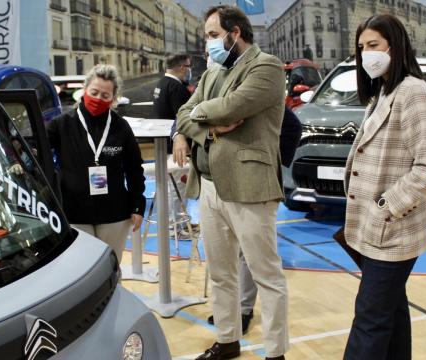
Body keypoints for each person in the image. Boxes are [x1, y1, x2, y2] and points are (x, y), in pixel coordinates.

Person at [176, 5, 288, 360]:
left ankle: (276, 352)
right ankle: (227, 341)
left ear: (234, 33)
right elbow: (183, 113)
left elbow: (232, 107)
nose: (207, 42)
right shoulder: (212, 73)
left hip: (250, 186)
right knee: (221, 272)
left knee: (266, 276)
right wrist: (205, 124)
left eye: (212, 35)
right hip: (209, 186)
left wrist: (203, 115)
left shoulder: (266, 67)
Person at [343, 14, 426, 359]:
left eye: (373, 45)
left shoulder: (413, 91)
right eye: (361, 48)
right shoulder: (384, 90)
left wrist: (385, 207)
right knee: (391, 312)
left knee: (370, 319)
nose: (366, 54)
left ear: (395, 44)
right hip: (376, 231)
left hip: (393, 230)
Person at [206, 105, 302, 334]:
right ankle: (231, 313)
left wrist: (271, 164)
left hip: (253, 184)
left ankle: (244, 309)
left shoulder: (256, 92)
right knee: (225, 258)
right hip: (221, 180)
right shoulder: (215, 89)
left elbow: (292, 126)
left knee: (249, 256)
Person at [46, 64, 145, 263]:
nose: (98, 99)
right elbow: (36, 149)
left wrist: (137, 205)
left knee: (111, 266)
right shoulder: (61, 124)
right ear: (84, 89)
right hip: (73, 211)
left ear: (114, 98)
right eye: (94, 92)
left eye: (105, 95)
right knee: (80, 269)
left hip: (114, 214)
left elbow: (134, 167)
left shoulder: (120, 127)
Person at [152, 54, 195, 234]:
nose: (188, 70)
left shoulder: (160, 84)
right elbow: (183, 118)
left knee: (172, 187)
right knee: (179, 187)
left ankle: (175, 224)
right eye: (187, 66)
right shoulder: (177, 88)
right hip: (177, 147)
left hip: (165, 145)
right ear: (181, 67)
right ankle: (177, 226)